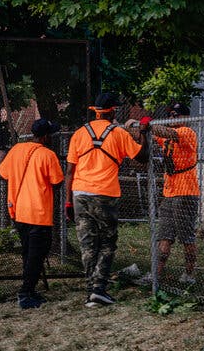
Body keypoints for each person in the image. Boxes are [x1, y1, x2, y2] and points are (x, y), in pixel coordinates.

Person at [65, 92, 150, 307]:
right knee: (107, 243)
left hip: (79, 194)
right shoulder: (118, 133)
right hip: (105, 195)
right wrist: (143, 134)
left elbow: (69, 171)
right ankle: (99, 289)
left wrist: (67, 201)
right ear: (112, 111)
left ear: (96, 111)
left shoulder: (79, 134)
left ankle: (90, 292)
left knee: (87, 244)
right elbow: (142, 158)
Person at [126, 102, 200, 285]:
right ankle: (155, 275)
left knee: (186, 237)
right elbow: (146, 134)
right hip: (169, 192)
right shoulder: (164, 134)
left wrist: (147, 124)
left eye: (177, 115)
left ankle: (189, 275)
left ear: (186, 117)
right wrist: (133, 127)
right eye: (171, 115)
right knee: (164, 235)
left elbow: (168, 133)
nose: (173, 118)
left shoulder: (186, 132)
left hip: (186, 193)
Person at [0, 118, 64, 309]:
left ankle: (30, 290)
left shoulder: (17, 150)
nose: (51, 137)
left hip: (18, 211)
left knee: (28, 252)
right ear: (44, 137)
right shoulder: (47, 155)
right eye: (50, 134)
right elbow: (57, 181)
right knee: (37, 254)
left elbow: (3, 173)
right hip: (38, 212)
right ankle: (25, 292)